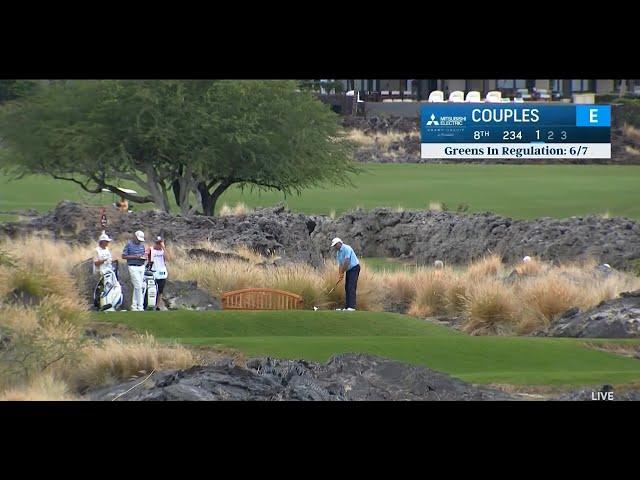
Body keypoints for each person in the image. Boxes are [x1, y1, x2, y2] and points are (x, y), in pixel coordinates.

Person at [331, 237, 360, 311]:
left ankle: (352, 307)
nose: (334, 247)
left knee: (351, 286)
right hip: (348, 270)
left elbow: (347, 262)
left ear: (339, 243)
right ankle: (347, 307)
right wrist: (340, 274)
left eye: (335, 245)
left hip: (354, 268)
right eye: (334, 246)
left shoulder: (347, 248)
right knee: (347, 287)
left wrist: (342, 272)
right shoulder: (338, 253)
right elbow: (340, 265)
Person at [122, 230, 147, 311]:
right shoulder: (129, 244)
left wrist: (143, 258)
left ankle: (134, 306)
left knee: (138, 287)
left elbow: (143, 255)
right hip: (133, 267)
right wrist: (135, 257)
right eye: (138, 239)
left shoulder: (142, 246)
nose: (139, 241)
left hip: (141, 266)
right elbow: (124, 256)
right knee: (138, 286)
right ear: (135, 237)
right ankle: (140, 307)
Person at [149, 236, 170, 311]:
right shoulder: (151, 249)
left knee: (160, 290)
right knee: (153, 289)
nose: (159, 245)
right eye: (157, 243)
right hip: (153, 271)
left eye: (160, 243)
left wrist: (164, 248)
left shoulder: (163, 251)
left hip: (162, 271)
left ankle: (157, 305)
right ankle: (151, 304)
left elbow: (168, 259)